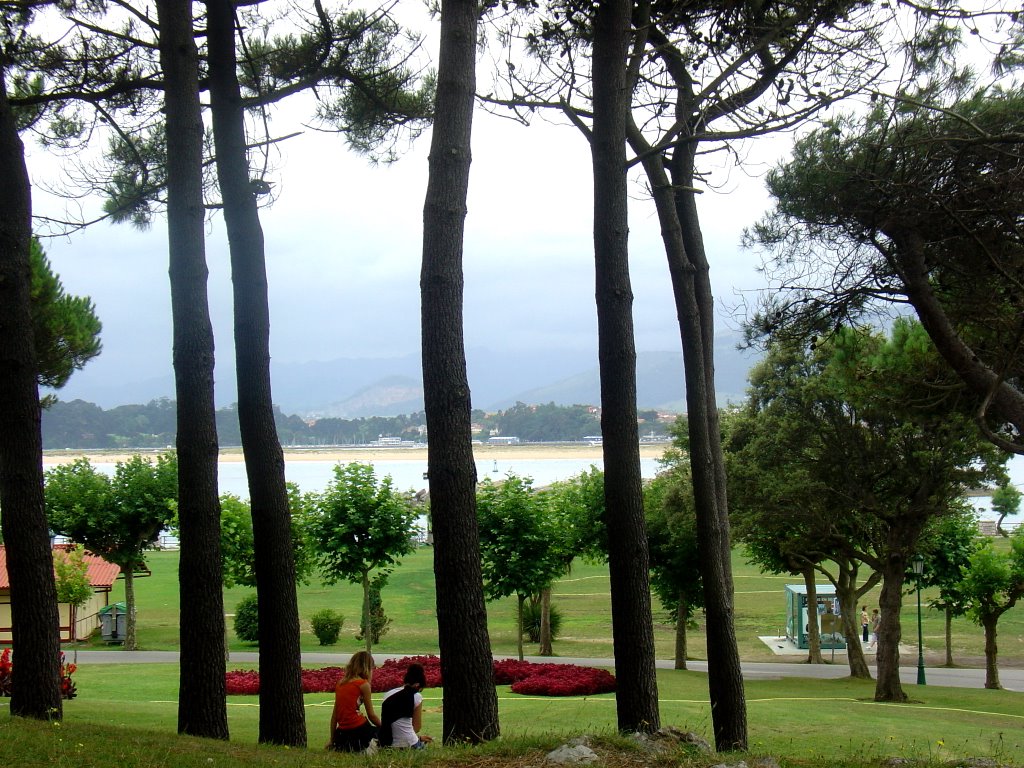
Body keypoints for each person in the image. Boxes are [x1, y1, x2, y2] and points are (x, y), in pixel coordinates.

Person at [328, 650, 380, 752]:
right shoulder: (363, 685)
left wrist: (332, 739)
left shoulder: (340, 683)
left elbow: (335, 716)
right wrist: (384, 728)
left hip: (342, 732)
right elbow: (371, 715)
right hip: (358, 728)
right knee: (385, 735)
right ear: (367, 668)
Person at [378, 662, 433, 749]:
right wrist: (418, 738)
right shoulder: (416, 696)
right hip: (409, 743)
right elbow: (417, 727)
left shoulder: (388, 694)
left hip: (388, 743)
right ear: (417, 685)